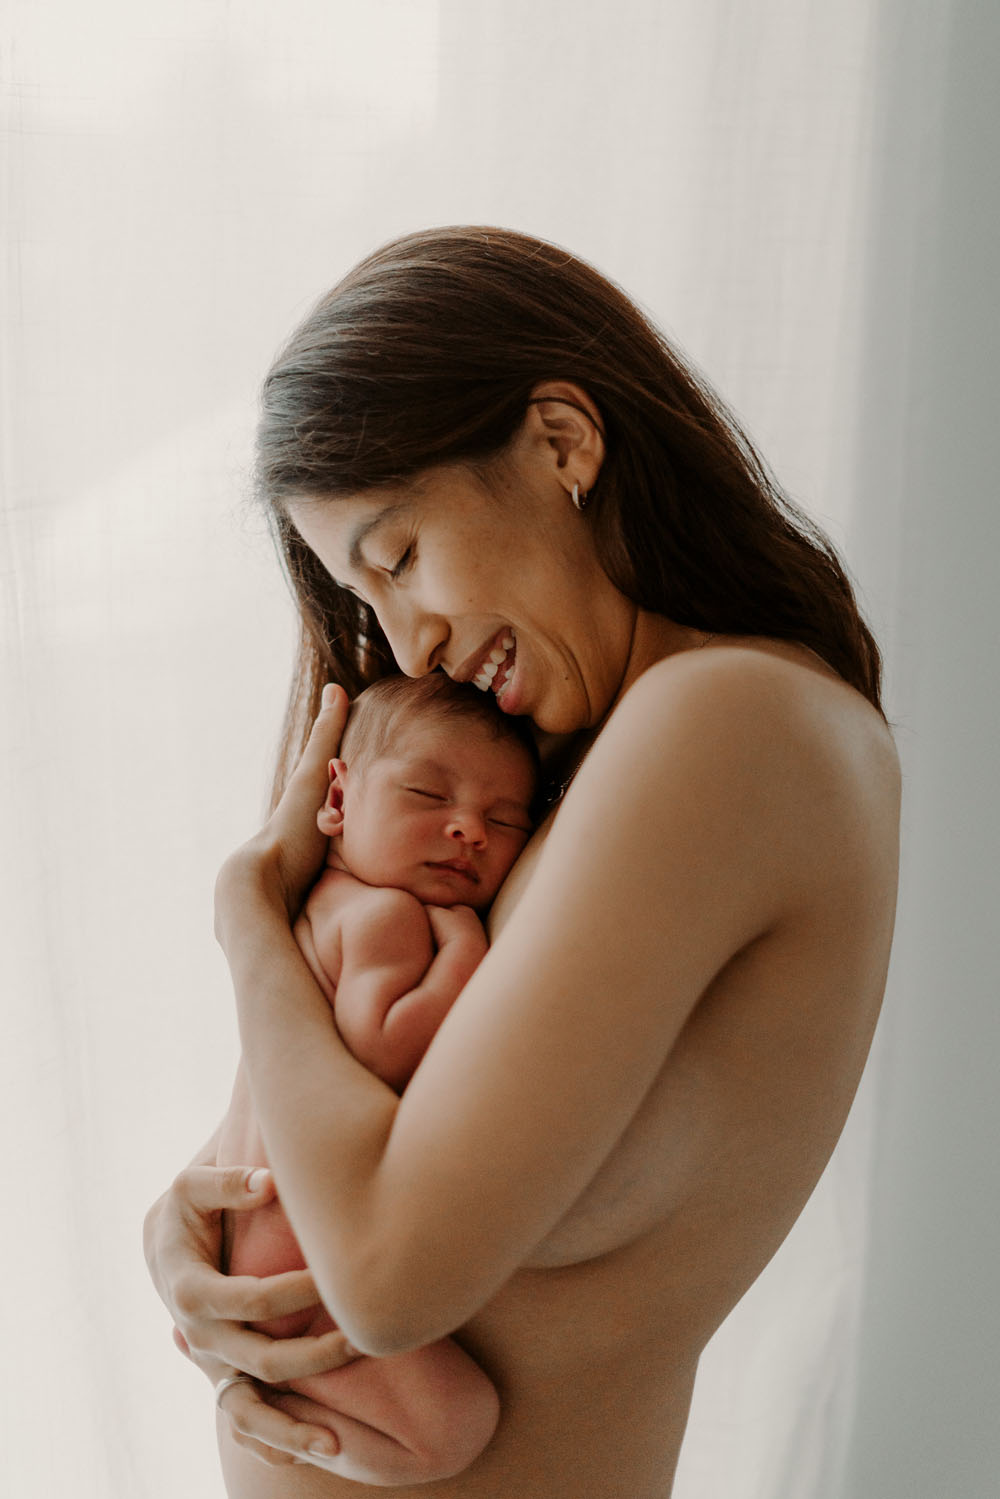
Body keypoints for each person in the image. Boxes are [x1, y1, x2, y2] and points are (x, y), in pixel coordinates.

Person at [144, 226, 901, 1498]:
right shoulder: (544, 785)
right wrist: (190, 1230)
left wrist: (245, 915)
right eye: (361, 600)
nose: (409, 646)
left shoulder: (730, 723)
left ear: (561, 440)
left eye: (398, 557)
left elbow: (387, 1276)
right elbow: (326, 1134)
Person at [216, 672, 536, 1484]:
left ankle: (261, 1386)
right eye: (429, 793)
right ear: (337, 798)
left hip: (264, 1243)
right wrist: (466, 948)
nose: (468, 828)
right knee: (454, 1427)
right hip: (304, 1257)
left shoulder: (318, 905)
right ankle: (292, 1426)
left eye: (506, 822)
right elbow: (385, 1043)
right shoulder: (389, 915)